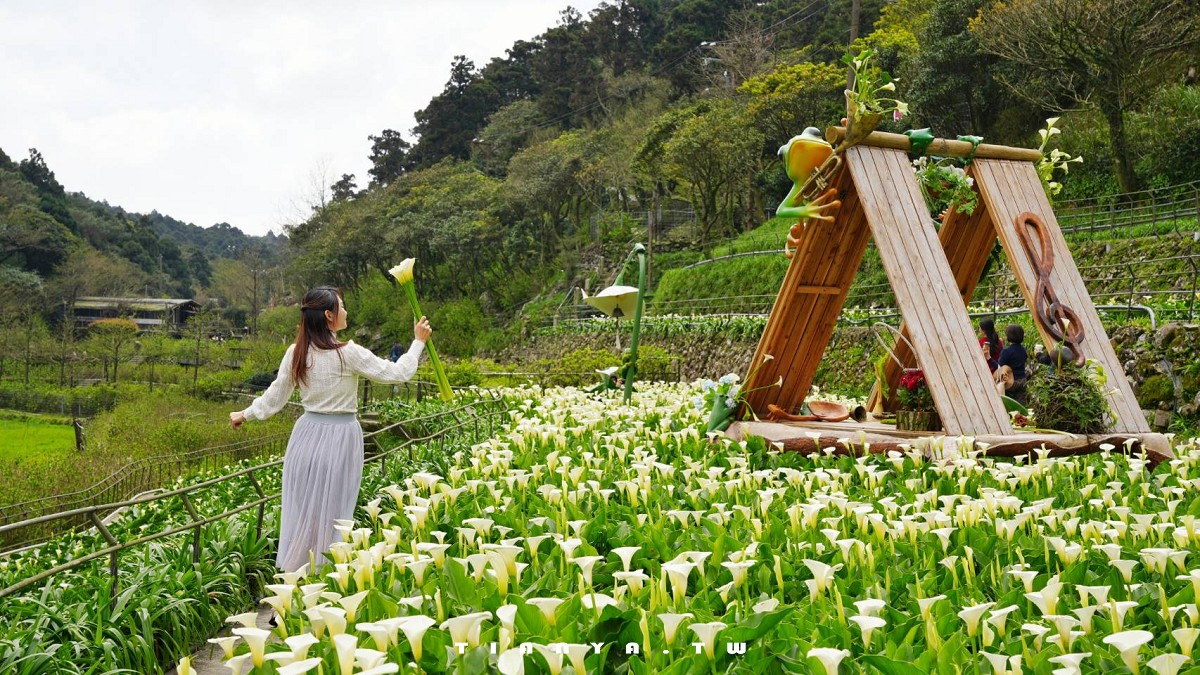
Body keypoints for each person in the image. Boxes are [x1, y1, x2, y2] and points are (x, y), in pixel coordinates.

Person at [229, 287, 433, 572]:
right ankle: (316, 587)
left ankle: (290, 588)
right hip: (339, 441)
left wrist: (245, 414)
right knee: (333, 518)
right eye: (342, 306)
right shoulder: (347, 353)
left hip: (305, 438)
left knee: (304, 518)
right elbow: (398, 373)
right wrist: (418, 342)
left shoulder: (296, 352)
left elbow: (276, 396)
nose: (346, 311)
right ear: (328, 315)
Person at [994, 324, 1028, 404]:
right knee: (1021, 406)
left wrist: (989, 359)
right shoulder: (1023, 350)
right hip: (1023, 380)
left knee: (1010, 405)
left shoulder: (1007, 351)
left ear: (1008, 336)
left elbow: (1000, 367)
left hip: (1011, 382)